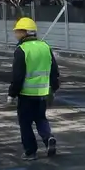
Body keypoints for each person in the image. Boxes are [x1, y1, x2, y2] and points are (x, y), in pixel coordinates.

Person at [8, 16, 60, 159]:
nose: (15, 34)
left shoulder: (22, 50)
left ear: (24, 32)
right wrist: (53, 89)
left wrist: (12, 94)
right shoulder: (45, 46)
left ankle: (30, 151)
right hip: (43, 92)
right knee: (41, 118)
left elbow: (18, 76)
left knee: (25, 123)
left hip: (26, 94)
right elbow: (54, 70)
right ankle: (48, 137)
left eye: (17, 31)